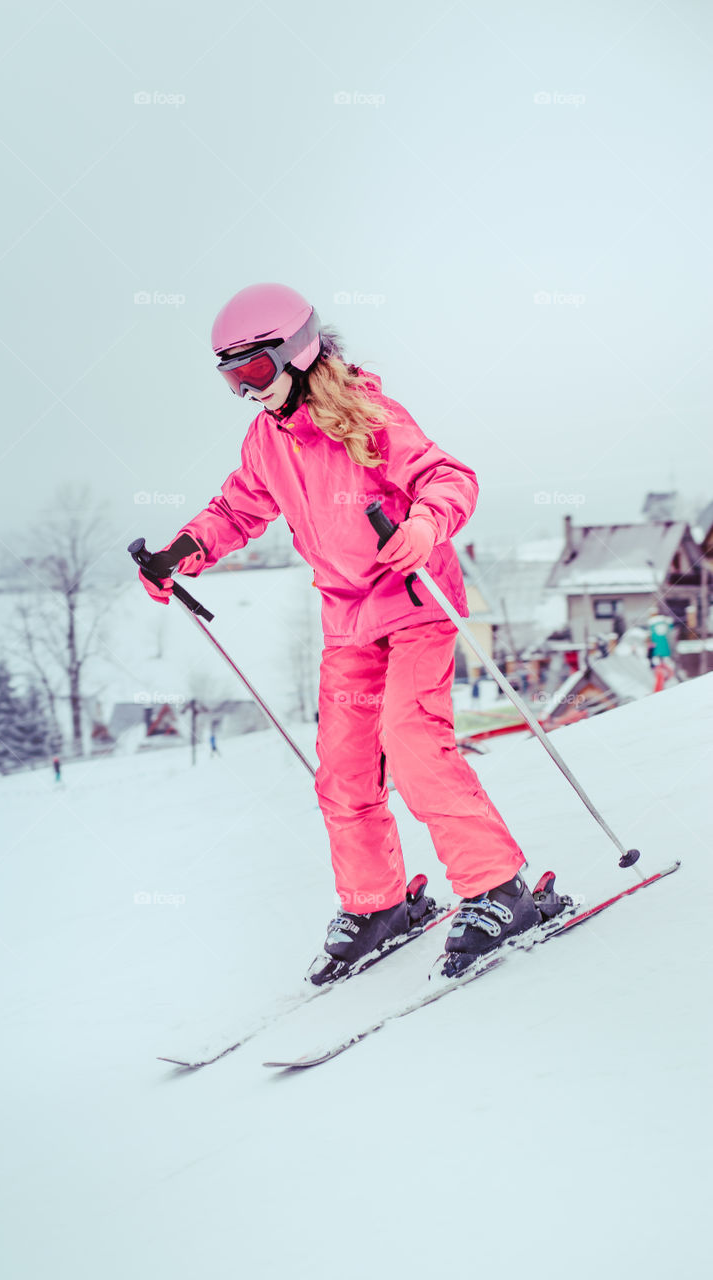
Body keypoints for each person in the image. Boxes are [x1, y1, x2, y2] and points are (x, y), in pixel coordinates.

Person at [138, 283, 538, 979]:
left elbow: (449, 478)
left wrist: (422, 524)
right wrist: (184, 550)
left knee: (412, 744)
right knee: (343, 769)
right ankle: (376, 901)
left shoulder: (371, 416)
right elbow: (236, 510)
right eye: (229, 378)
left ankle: (496, 889)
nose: (244, 390)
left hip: (414, 603)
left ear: (295, 353)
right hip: (347, 620)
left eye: (254, 372)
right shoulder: (267, 440)